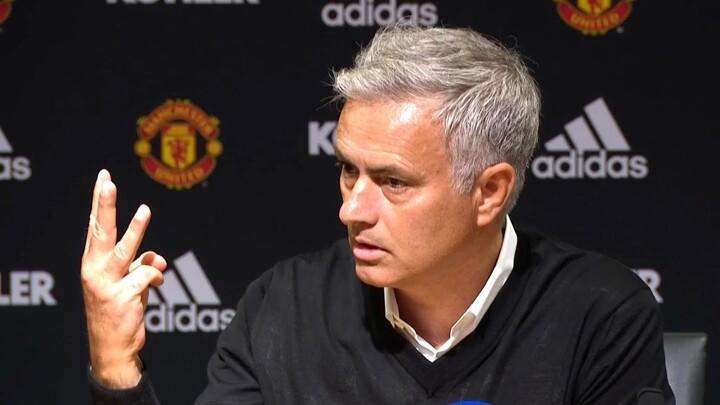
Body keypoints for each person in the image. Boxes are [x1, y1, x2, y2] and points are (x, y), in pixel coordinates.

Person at [82, 23, 674, 404]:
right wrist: (116, 368)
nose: (352, 209)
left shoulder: (600, 312)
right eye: (348, 170)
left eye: (393, 182)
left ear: (489, 192)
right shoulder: (284, 306)